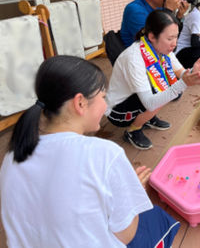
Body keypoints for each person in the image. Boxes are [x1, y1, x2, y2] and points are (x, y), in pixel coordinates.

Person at [0, 55, 180, 248]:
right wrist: (131, 191)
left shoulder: (12, 157)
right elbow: (126, 235)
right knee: (155, 216)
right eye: (103, 97)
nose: (106, 104)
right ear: (80, 103)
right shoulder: (104, 154)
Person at [107, 10, 200, 150]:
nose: (174, 44)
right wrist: (183, 83)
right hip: (118, 110)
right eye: (170, 38)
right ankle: (133, 130)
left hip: (137, 96)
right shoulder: (134, 58)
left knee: (167, 86)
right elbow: (150, 103)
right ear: (152, 36)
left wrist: (192, 73)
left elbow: (179, 71)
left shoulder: (160, 48)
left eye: (176, 37)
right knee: (164, 91)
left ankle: (147, 118)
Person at [120, 0, 189, 47]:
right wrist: (169, 10)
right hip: (139, 56)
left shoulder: (158, 8)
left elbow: (172, 39)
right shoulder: (134, 10)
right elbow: (159, 43)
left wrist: (179, 16)